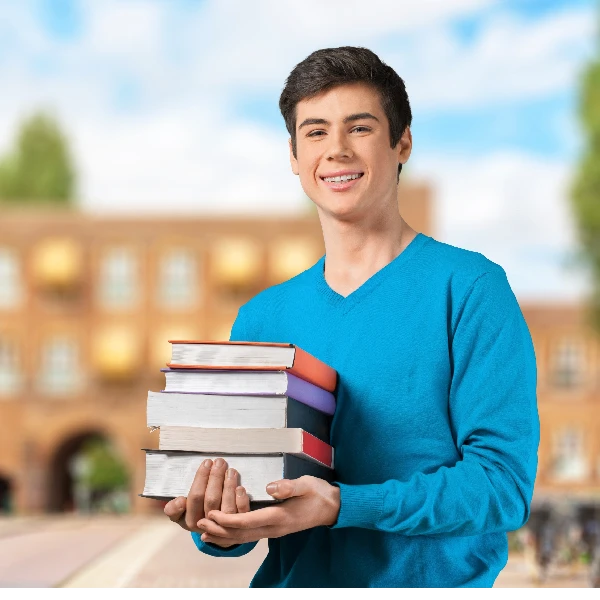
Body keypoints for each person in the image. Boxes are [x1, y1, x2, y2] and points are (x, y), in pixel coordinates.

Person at [164, 46, 540, 590]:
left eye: (359, 128)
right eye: (315, 132)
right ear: (294, 157)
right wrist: (215, 521)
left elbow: (502, 486)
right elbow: (242, 515)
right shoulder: (262, 318)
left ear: (402, 142)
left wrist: (341, 505)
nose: (336, 150)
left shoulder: (470, 289)